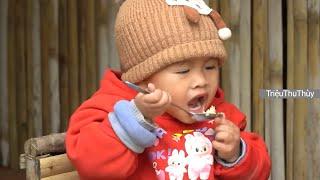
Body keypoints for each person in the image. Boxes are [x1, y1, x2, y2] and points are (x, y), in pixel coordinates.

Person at [66, 0, 271, 179]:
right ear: (143, 78)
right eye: (183, 70)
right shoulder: (107, 109)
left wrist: (236, 154)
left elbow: (260, 171)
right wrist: (136, 118)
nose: (200, 80)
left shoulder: (223, 117)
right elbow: (91, 166)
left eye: (210, 67)